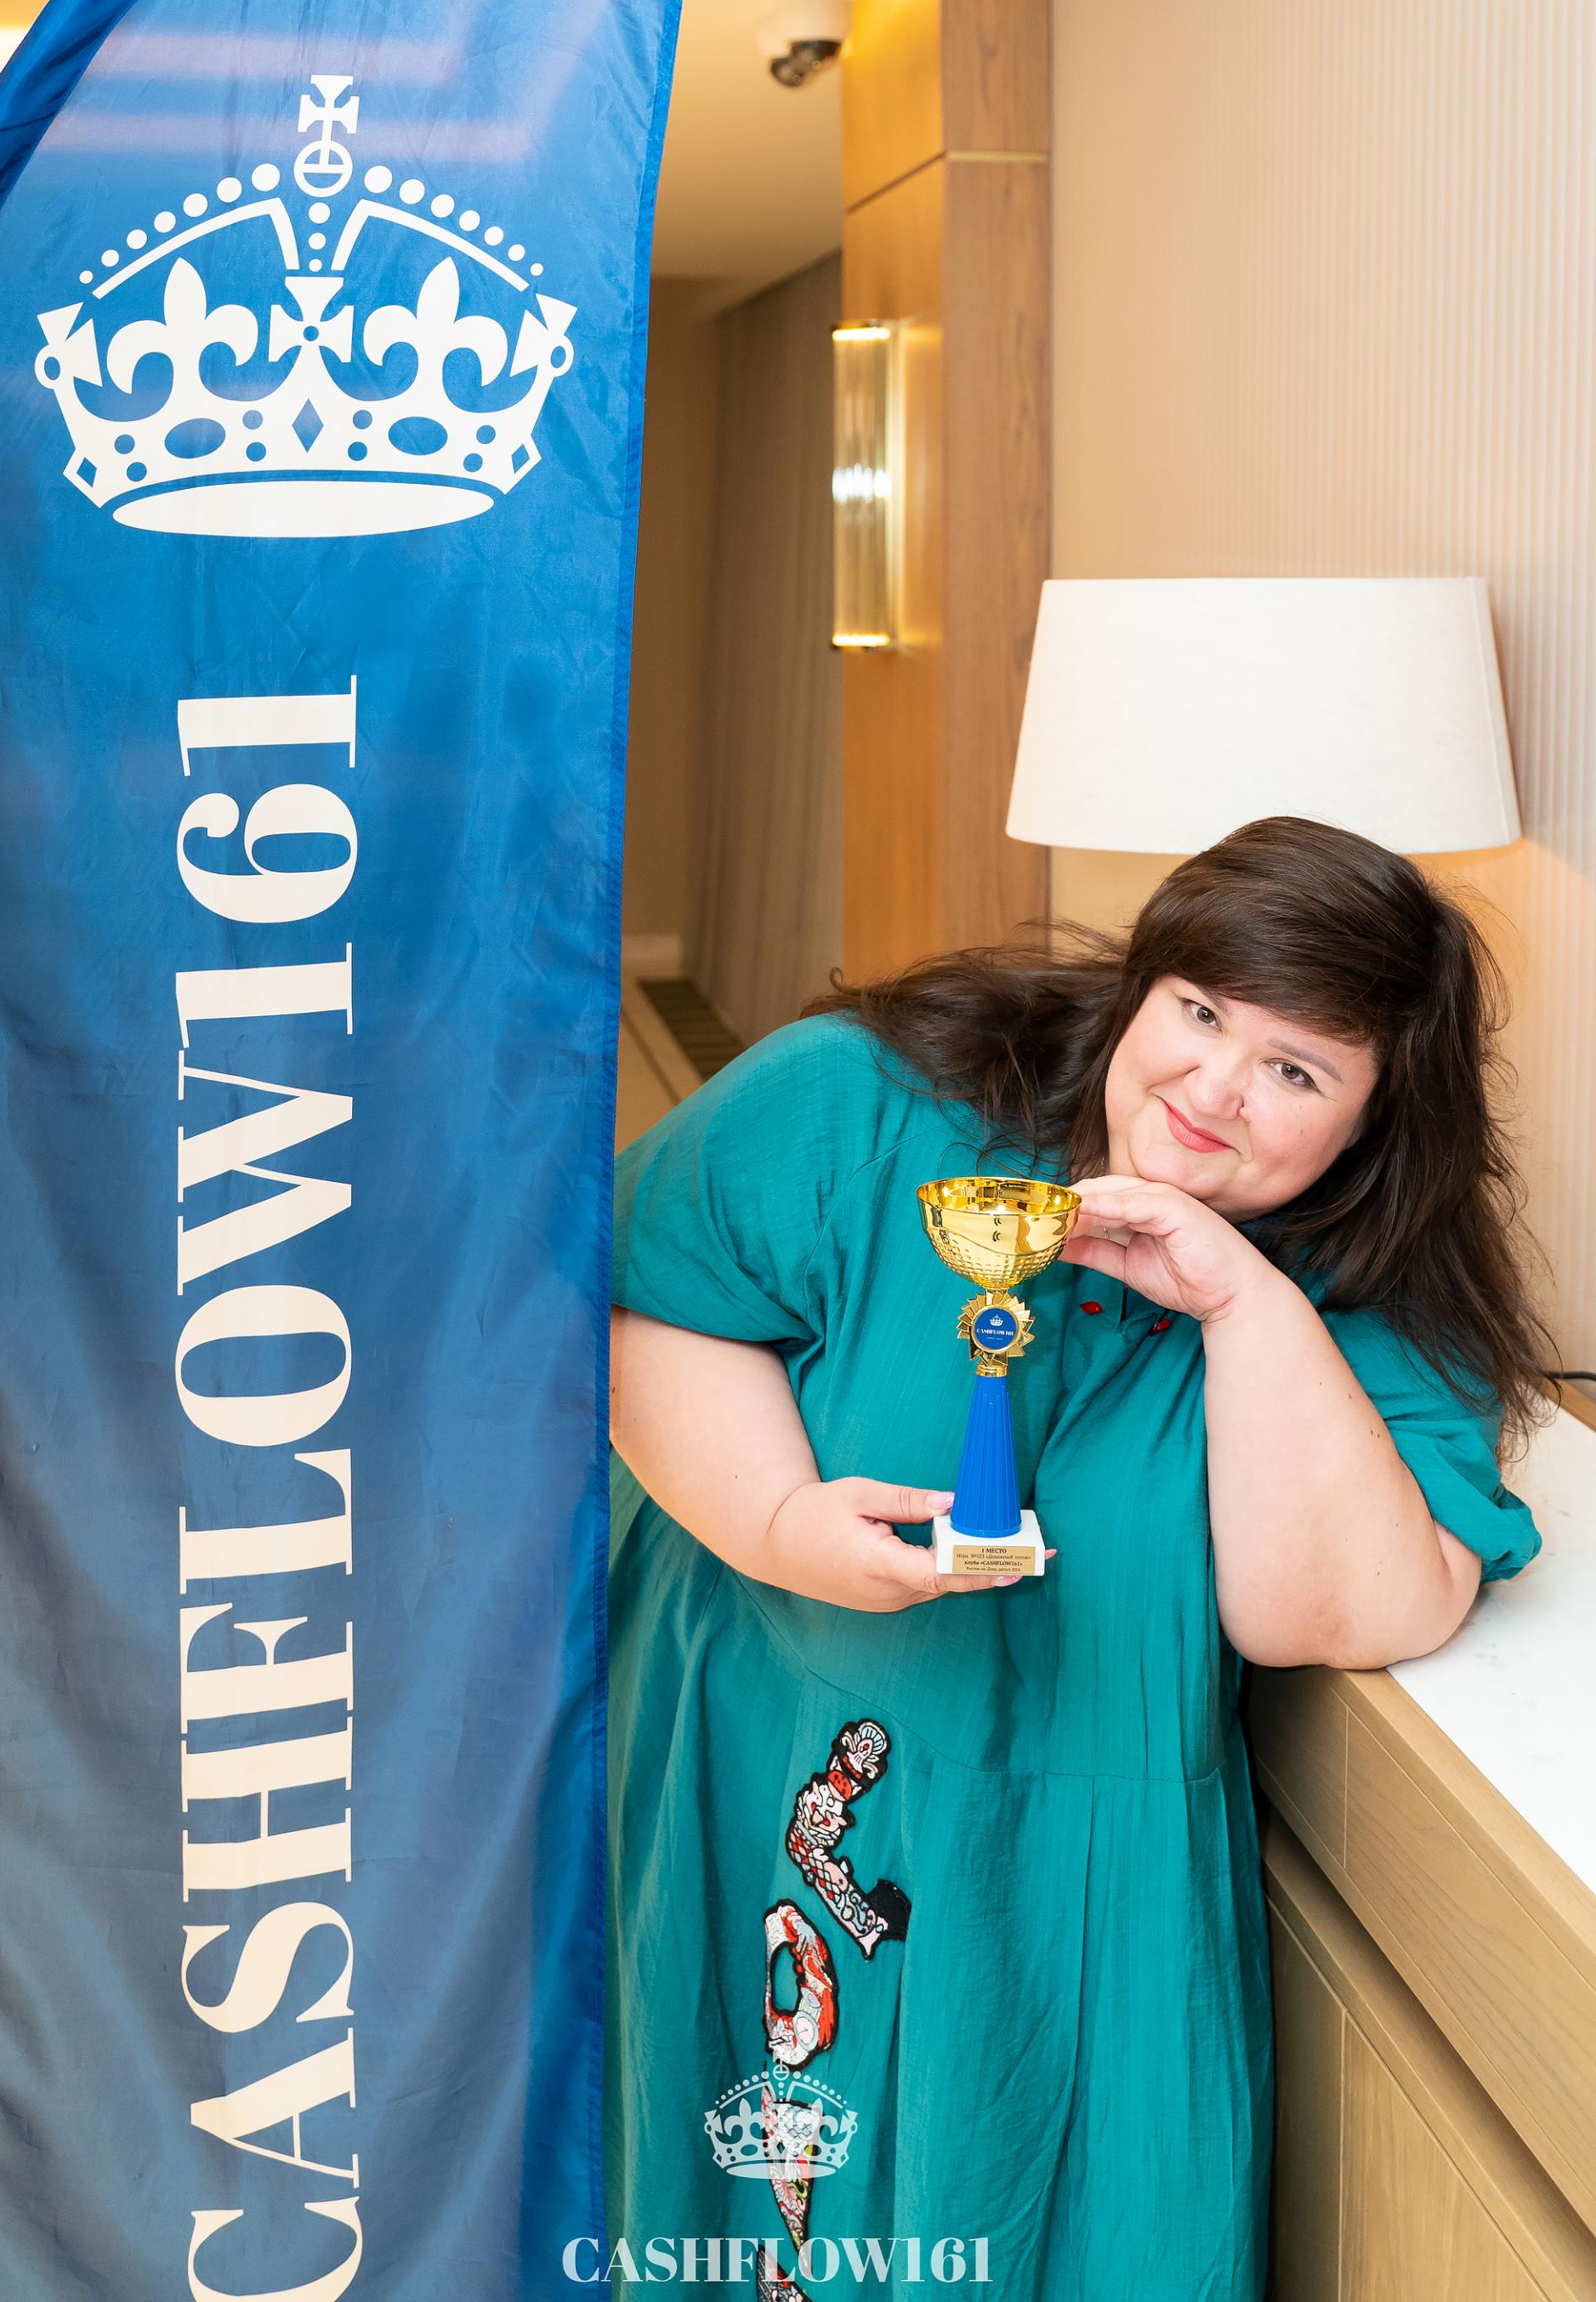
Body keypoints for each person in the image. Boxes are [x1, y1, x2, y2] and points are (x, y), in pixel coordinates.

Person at [604, 817, 1546, 2300]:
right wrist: (780, 1520)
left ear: (1376, 1123)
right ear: (1142, 986)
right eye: (1201, 1012)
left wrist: (1241, 1301)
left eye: (1297, 1072)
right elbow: (657, 1292)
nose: (1214, 1090)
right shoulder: (871, 1099)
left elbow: (1337, 1607)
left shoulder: (1380, 1293)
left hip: (1073, 1878)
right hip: (769, 1750)